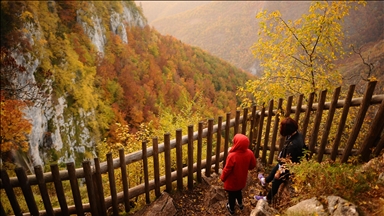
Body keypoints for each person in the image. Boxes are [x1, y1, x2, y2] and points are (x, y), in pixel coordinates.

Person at [255, 117, 305, 203]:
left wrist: (279, 172)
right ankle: (265, 181)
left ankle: (268, 198)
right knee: (276, 167)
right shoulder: (297, 135)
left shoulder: (294, 145)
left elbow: (288, 163)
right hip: (285, 161)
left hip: (291, 167)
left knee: (276, 180)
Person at [220, 133, 257, 215]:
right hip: (242, 179)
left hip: (232, 182)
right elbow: (253, 165)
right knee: (239, 192)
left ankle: (231, 209)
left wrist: (222, 178)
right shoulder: (249, 153)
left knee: (231, 196)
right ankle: (240, 204)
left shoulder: (232, 156)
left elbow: (227, 169)